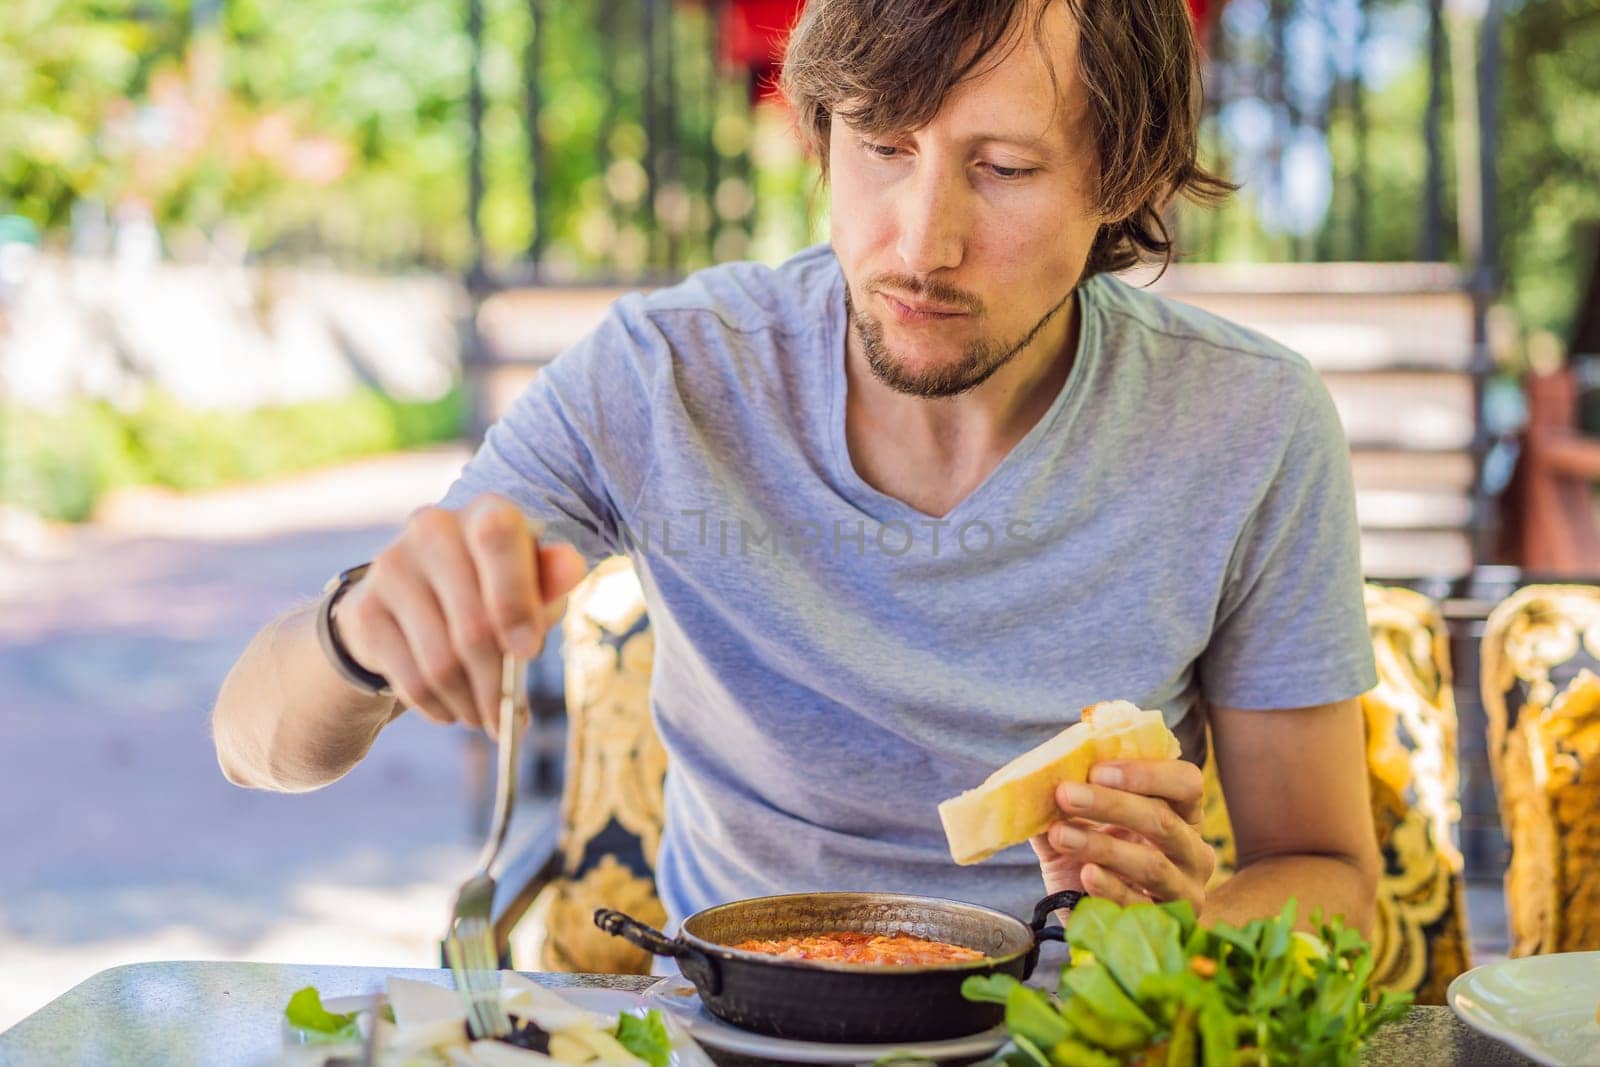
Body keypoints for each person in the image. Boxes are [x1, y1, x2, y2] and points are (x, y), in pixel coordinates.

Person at [213, 0, 1381, 943]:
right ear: (820, 136)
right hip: (737, 1027)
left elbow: (1326, 873)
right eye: (883, 147)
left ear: (1122, 180)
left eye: (1007, 167)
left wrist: (1193, 929)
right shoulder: (665, 374)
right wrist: (362, 632)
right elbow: (251, 744)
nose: (920, 242)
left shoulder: (1248, 420)